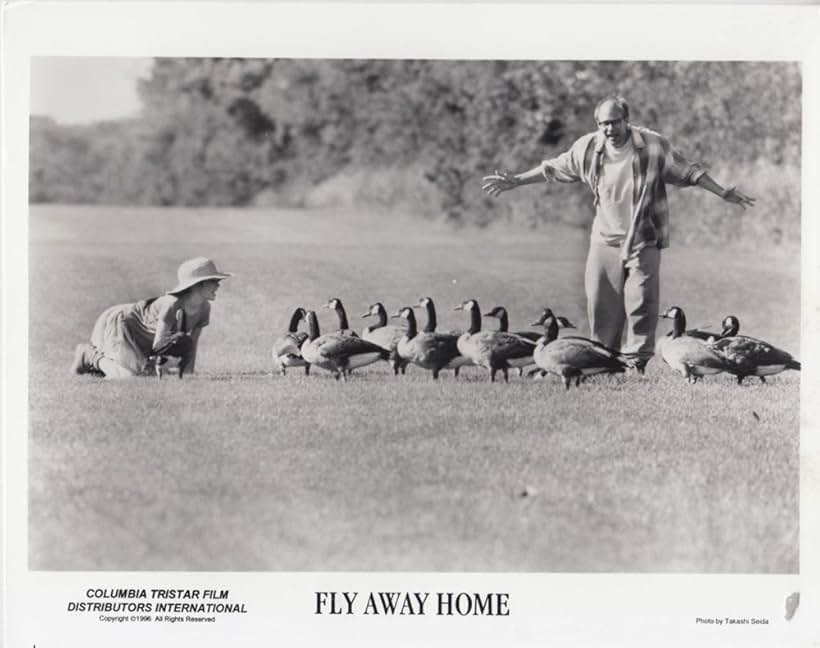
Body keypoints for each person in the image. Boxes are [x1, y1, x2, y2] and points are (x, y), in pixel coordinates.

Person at [482, 94, 755, 371]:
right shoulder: (588, 148)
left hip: (644, 237)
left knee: (642, 303)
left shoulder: (652, 145)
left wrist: (722, 192)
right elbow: (553, 167)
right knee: (601, 305)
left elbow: (688, 172)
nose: (609, 129)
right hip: (605, 240)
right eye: (603, 124)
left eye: (614, 122)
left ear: (627, 121)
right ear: (597, 124)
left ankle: (636, 363)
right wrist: (516, 180)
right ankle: (603, 362)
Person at [70, 257, 233, 379]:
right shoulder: (171, 304)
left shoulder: (204, 308)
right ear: (197, 285)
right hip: (122, 323)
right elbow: (158, 344)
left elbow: (193, 342)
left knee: (144, 375)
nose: (218, 285)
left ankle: (109, 364)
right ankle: (88, 356)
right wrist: (166, 360)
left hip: (143, 339)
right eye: (214, 281)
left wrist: (187, 373)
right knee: (126, 378)